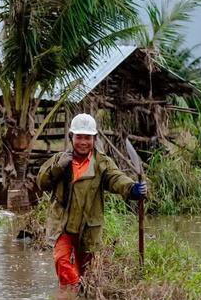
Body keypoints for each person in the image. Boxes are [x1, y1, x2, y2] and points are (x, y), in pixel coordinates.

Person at [36, 113, 147, 289]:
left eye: (87, 138)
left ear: (94, 139)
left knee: (87, 272)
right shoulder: (60, 159)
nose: (83, 142)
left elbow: (116, 179)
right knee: (61, 261)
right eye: (79, 137)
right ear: (71, 137)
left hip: (89, 226)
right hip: (62, 224)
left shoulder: (102, 163)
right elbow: (41, 182)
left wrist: (132, 188)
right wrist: (57, 168)